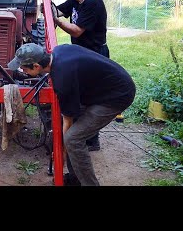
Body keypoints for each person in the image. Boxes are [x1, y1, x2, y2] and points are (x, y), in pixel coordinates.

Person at [7, 43, 136, 186]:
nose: (22, 70)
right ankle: (76, 179)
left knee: (73, 138)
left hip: (117, 96)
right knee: (70, 137)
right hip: (104, 87)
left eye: (24, 68)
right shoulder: (59, 50)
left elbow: (68, 122)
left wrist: (61, 152)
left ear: (36, 66)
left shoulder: (63, 79)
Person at [43, 0, 109, 151]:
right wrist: (46, 1)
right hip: (83, 53)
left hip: (95, 54)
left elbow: (77, 31)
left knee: (91, 97)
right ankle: (81, 136)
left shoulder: (93, 3)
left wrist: (55, 20)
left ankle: (92, 141)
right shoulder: (75, 1)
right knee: (80, 95)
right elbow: (56, 11)